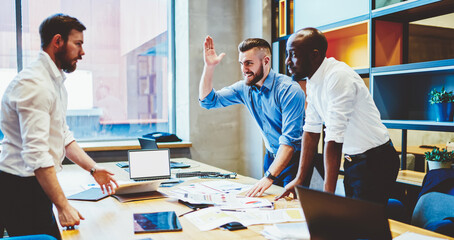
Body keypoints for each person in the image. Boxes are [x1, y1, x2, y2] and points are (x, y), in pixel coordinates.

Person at [0, 14, 118, 239]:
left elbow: (63, 135)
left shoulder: (54, 82)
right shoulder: (35, 84)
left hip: (34, 184)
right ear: (58, 42)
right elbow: (37, 155)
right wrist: (63, 207)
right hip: (20, 188)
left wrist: (93, 169)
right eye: (78, 44)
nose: (82, 53)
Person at [276, 28, 400, 205]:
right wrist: (299, 179)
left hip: (376, 161)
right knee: (353, 221)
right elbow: (311, 130)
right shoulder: (312, 80)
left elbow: (333, 138)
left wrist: (328, 195)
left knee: (361, 223)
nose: (288, 61)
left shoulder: (338, 77)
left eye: (293, 54)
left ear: (314, 55)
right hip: (353, 161)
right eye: (287, 54)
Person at [199, 36, 305, 197]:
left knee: (291, 211)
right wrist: (209, 67)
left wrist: (269, 176)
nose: (244, 69)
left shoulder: (289, 90)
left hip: (294, 162)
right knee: (268, 207)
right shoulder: (244, 88)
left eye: (249, 63)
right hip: (271, 158)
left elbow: (289, 141)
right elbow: (208, 101)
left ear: (266, 61)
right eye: (241, 63)